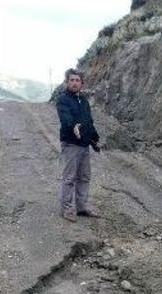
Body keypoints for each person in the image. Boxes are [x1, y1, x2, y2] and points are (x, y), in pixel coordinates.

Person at [56, 68, 100, 222]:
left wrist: (95, 138)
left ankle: (81, 207)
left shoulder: (84, 101)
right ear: (67, 82)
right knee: (69, 178)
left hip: (84, 144)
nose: (75, 83)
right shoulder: (63, 100)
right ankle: (67, 209)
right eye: (72, 80)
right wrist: (73, 125)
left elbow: (89, 122)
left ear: (82, 83)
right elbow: (65, 117)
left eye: (77, 80)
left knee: (84, 177)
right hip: (71, 143)